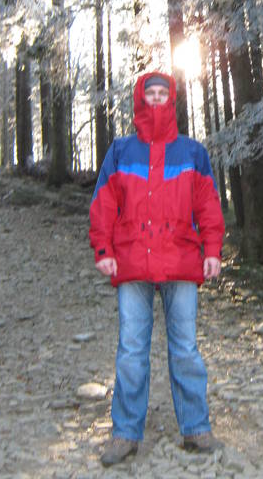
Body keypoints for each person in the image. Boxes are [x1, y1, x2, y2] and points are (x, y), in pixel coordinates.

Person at [89, 71, 225, 467]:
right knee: (131, 350)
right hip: (132, 261)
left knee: (186, 349)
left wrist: (213, 250)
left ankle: (196, 428)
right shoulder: (121, 150)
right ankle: (125, 433)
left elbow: (208, 205)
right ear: (140, 98)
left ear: (172, 99)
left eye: (163, 93)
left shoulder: (192, 152)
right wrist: (103, 248)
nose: (157, 98)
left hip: (182, 261)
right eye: (150, 93)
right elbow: (103, 203)